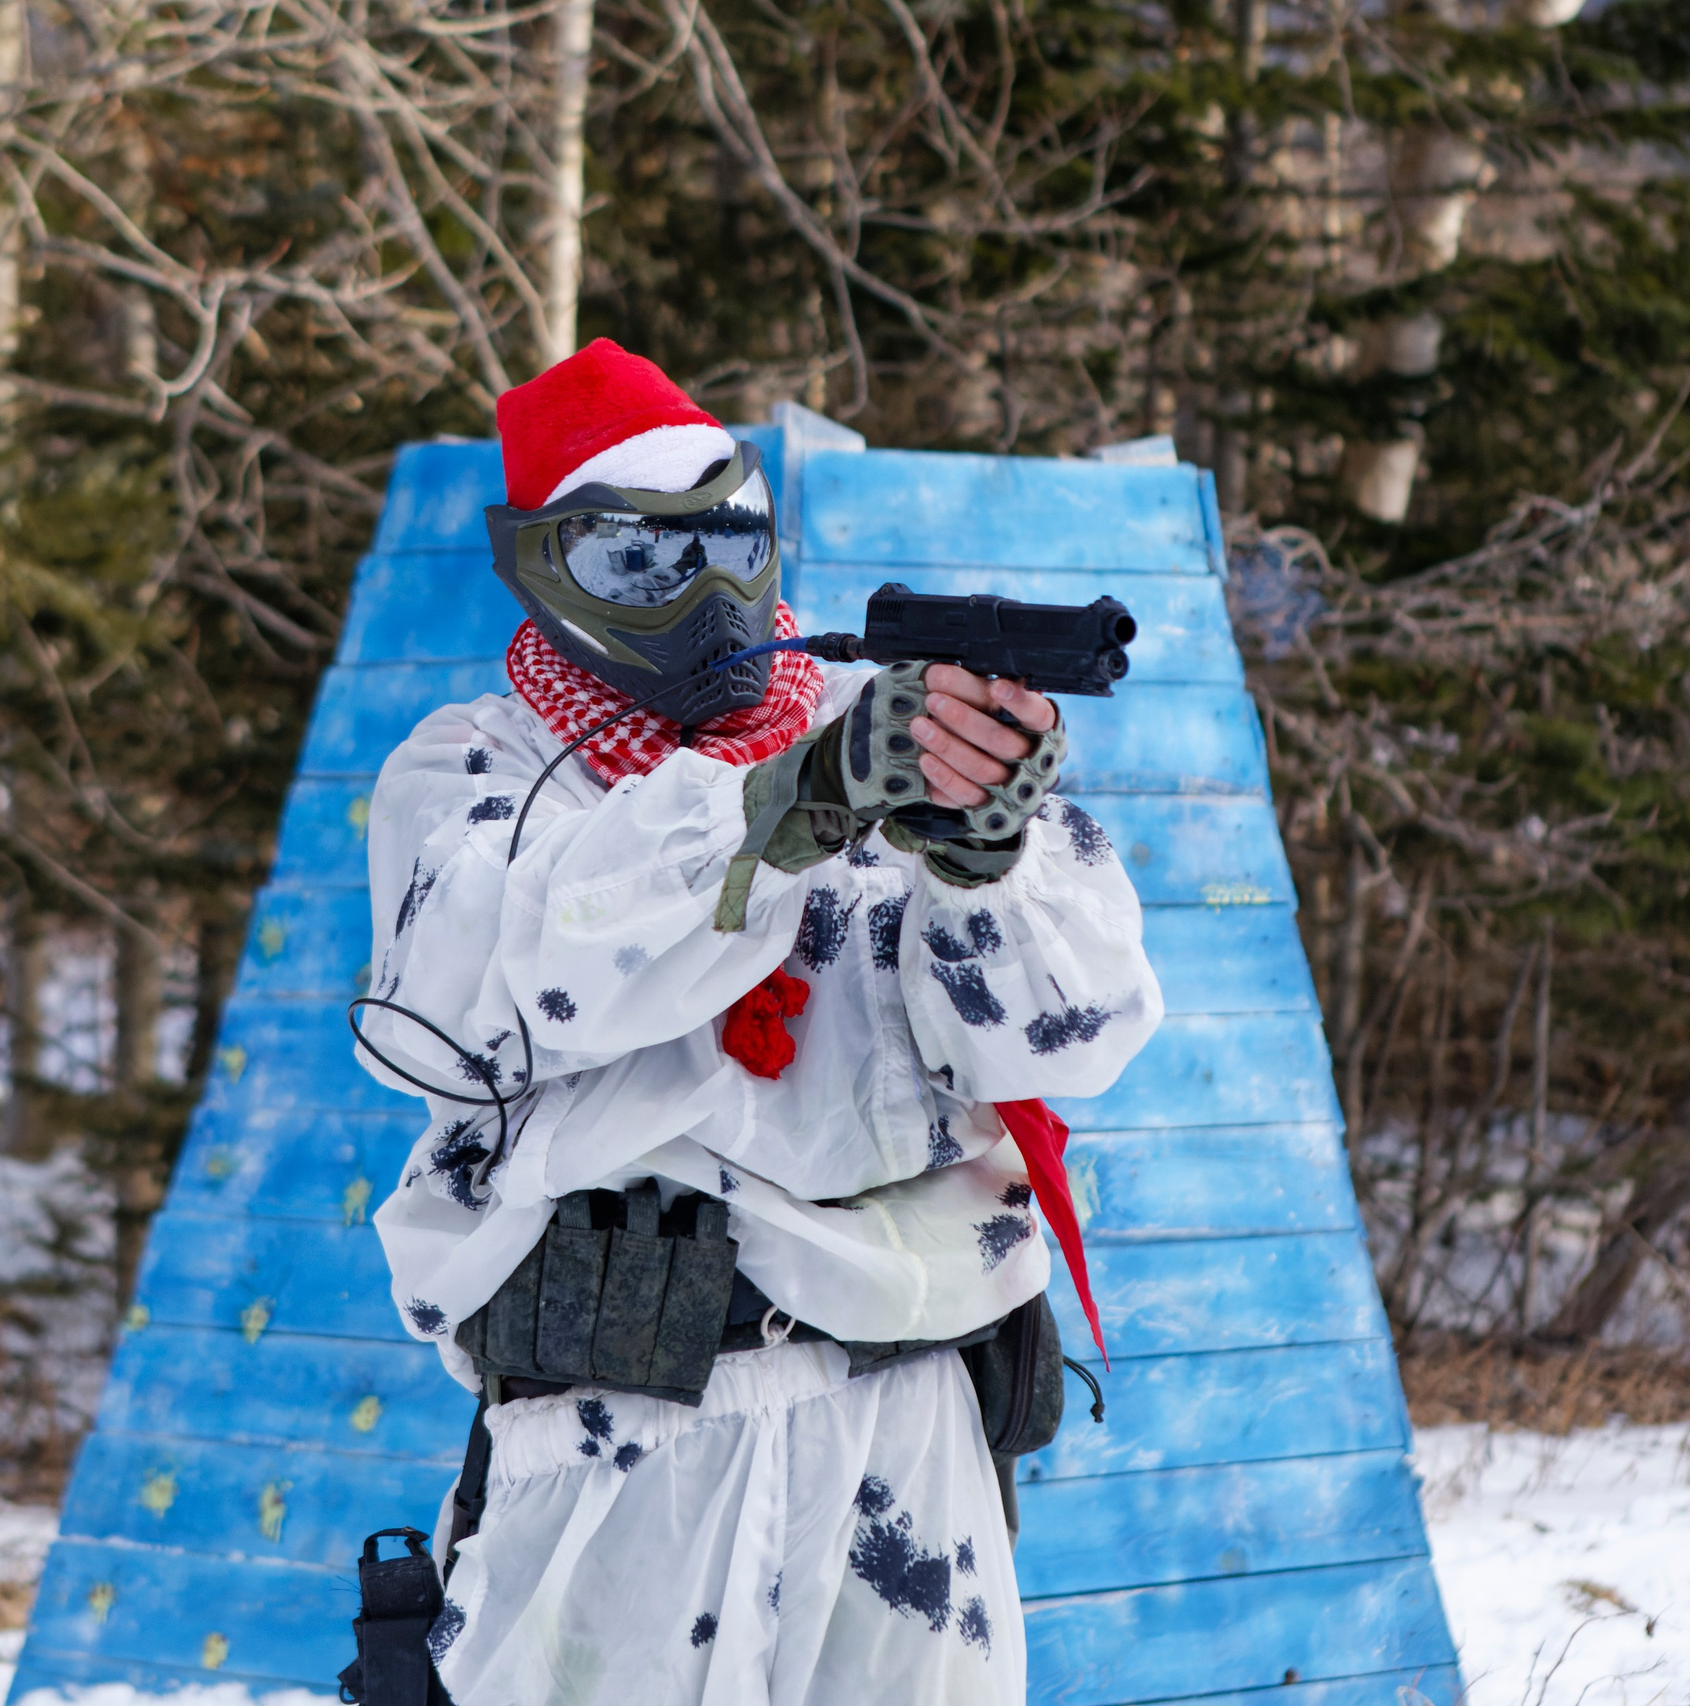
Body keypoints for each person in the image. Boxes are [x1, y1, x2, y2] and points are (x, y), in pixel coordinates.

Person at [355, 339, 1160, 1706]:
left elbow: (1076, 1034)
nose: (707, 596)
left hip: (899, 1422)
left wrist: (988, 858)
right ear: (544, 566)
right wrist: (787, 805)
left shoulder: (877, 731)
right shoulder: (472, 776)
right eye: (645, 563)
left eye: (731, 546)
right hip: (621, 1443)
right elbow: (512, 979)